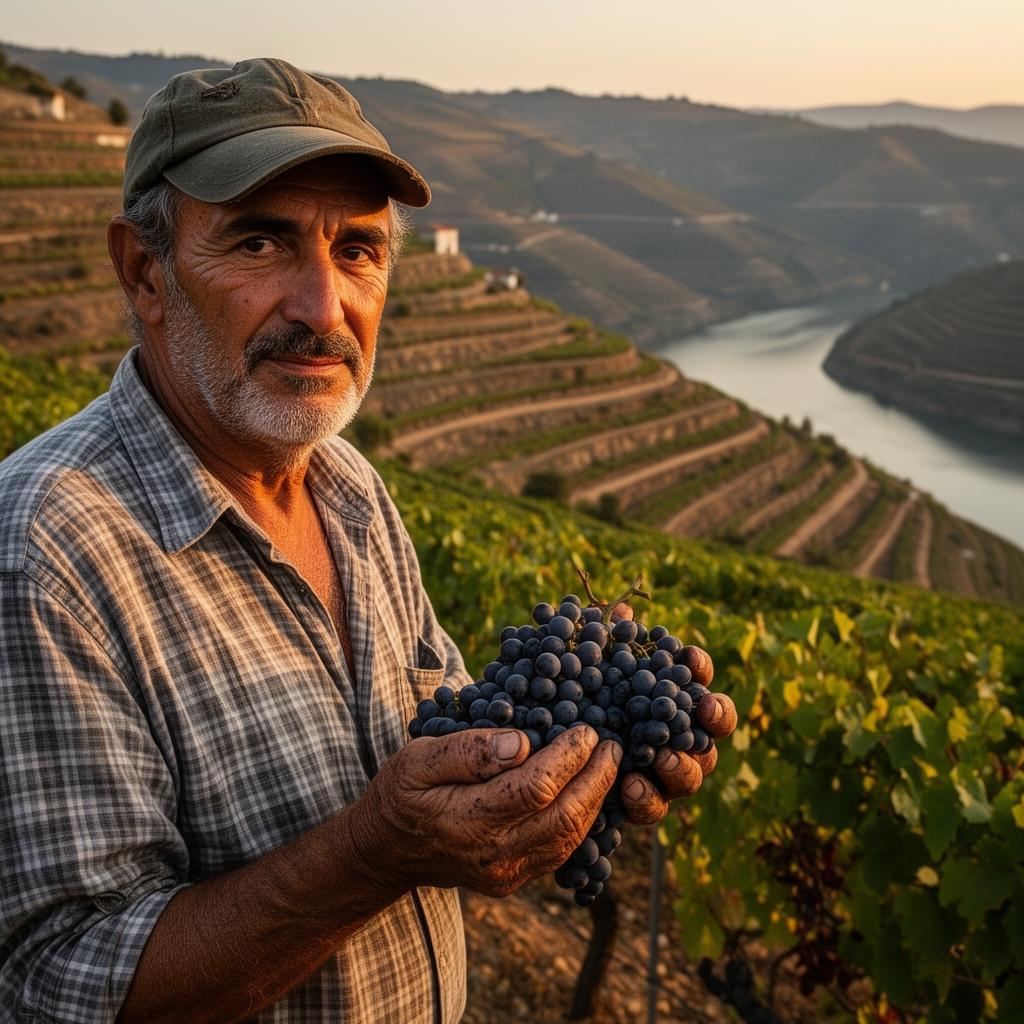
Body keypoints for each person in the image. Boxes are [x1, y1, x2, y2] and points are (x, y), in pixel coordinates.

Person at [0, 58, 729, 1023]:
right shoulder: (44, 553)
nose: (322, 305)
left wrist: (566, 773)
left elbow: (456, 751)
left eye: (358, 249)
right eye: (261, 242)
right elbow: (60, 985)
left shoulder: (351, 490)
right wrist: (374, 853)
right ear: (145, 270)